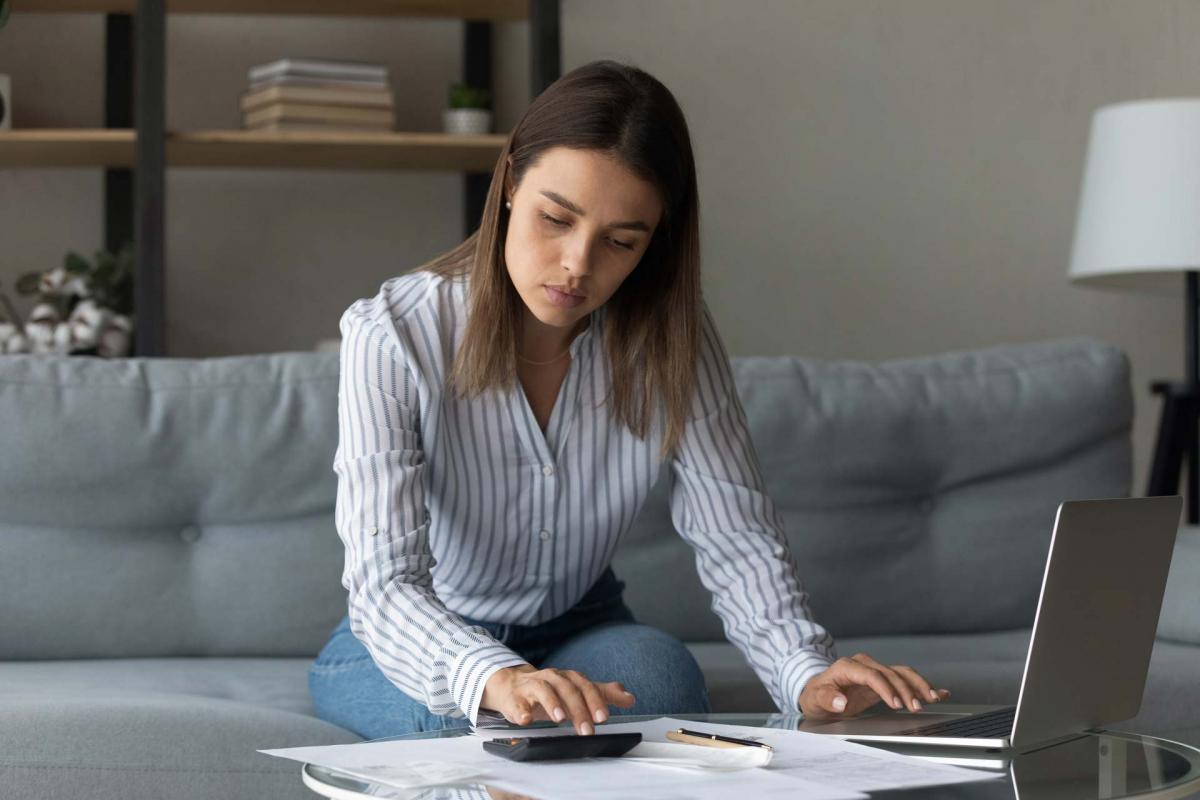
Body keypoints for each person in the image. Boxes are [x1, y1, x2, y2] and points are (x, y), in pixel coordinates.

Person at [309, 59, 949, 741]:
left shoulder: (672, 339)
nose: (578, 265)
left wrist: (805, 671)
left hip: (583, 627)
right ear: (509, 185)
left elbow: (736, 534)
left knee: (665, 685)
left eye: (620, 242)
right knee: (473, 722)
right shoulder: (392, 334)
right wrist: (497, 678)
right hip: (416, 636)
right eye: (555, 218)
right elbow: (386, 585)